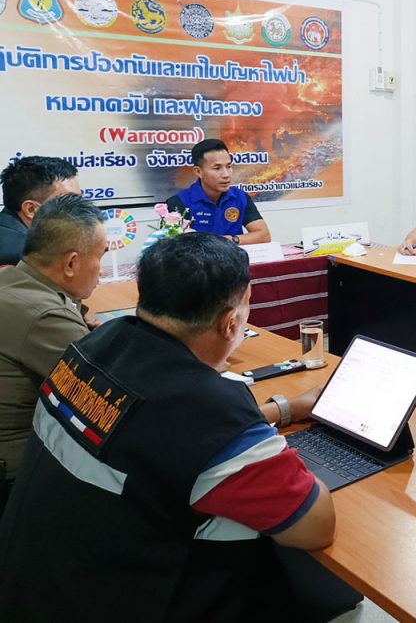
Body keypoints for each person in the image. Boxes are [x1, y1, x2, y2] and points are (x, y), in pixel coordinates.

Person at [0, 233, 336, 620]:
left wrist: (285, 409)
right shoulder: (208, 409)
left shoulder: (99, 343)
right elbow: (315, 526)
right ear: (231, 323)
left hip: (36, 586)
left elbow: (156, 431)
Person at [0, 195, 104, 513]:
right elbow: (110, 392)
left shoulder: (11, 279)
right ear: (71, 263)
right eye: (100, 256)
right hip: (19, 477)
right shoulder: (45, 316)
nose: (101, 270)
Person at [166, 139, 271, 245]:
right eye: (217, 168)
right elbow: (177, 246)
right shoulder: (179, 202)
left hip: (233, 254)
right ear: (198, 172)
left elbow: (264, 235)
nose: (226, 174)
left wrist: (230, 240)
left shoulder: (240, 197)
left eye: (229, 167)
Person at [0, 155, 82, 265]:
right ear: (31, 209)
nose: (79, 207)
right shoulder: (23, 256)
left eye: (79, 200)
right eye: (69, 200)